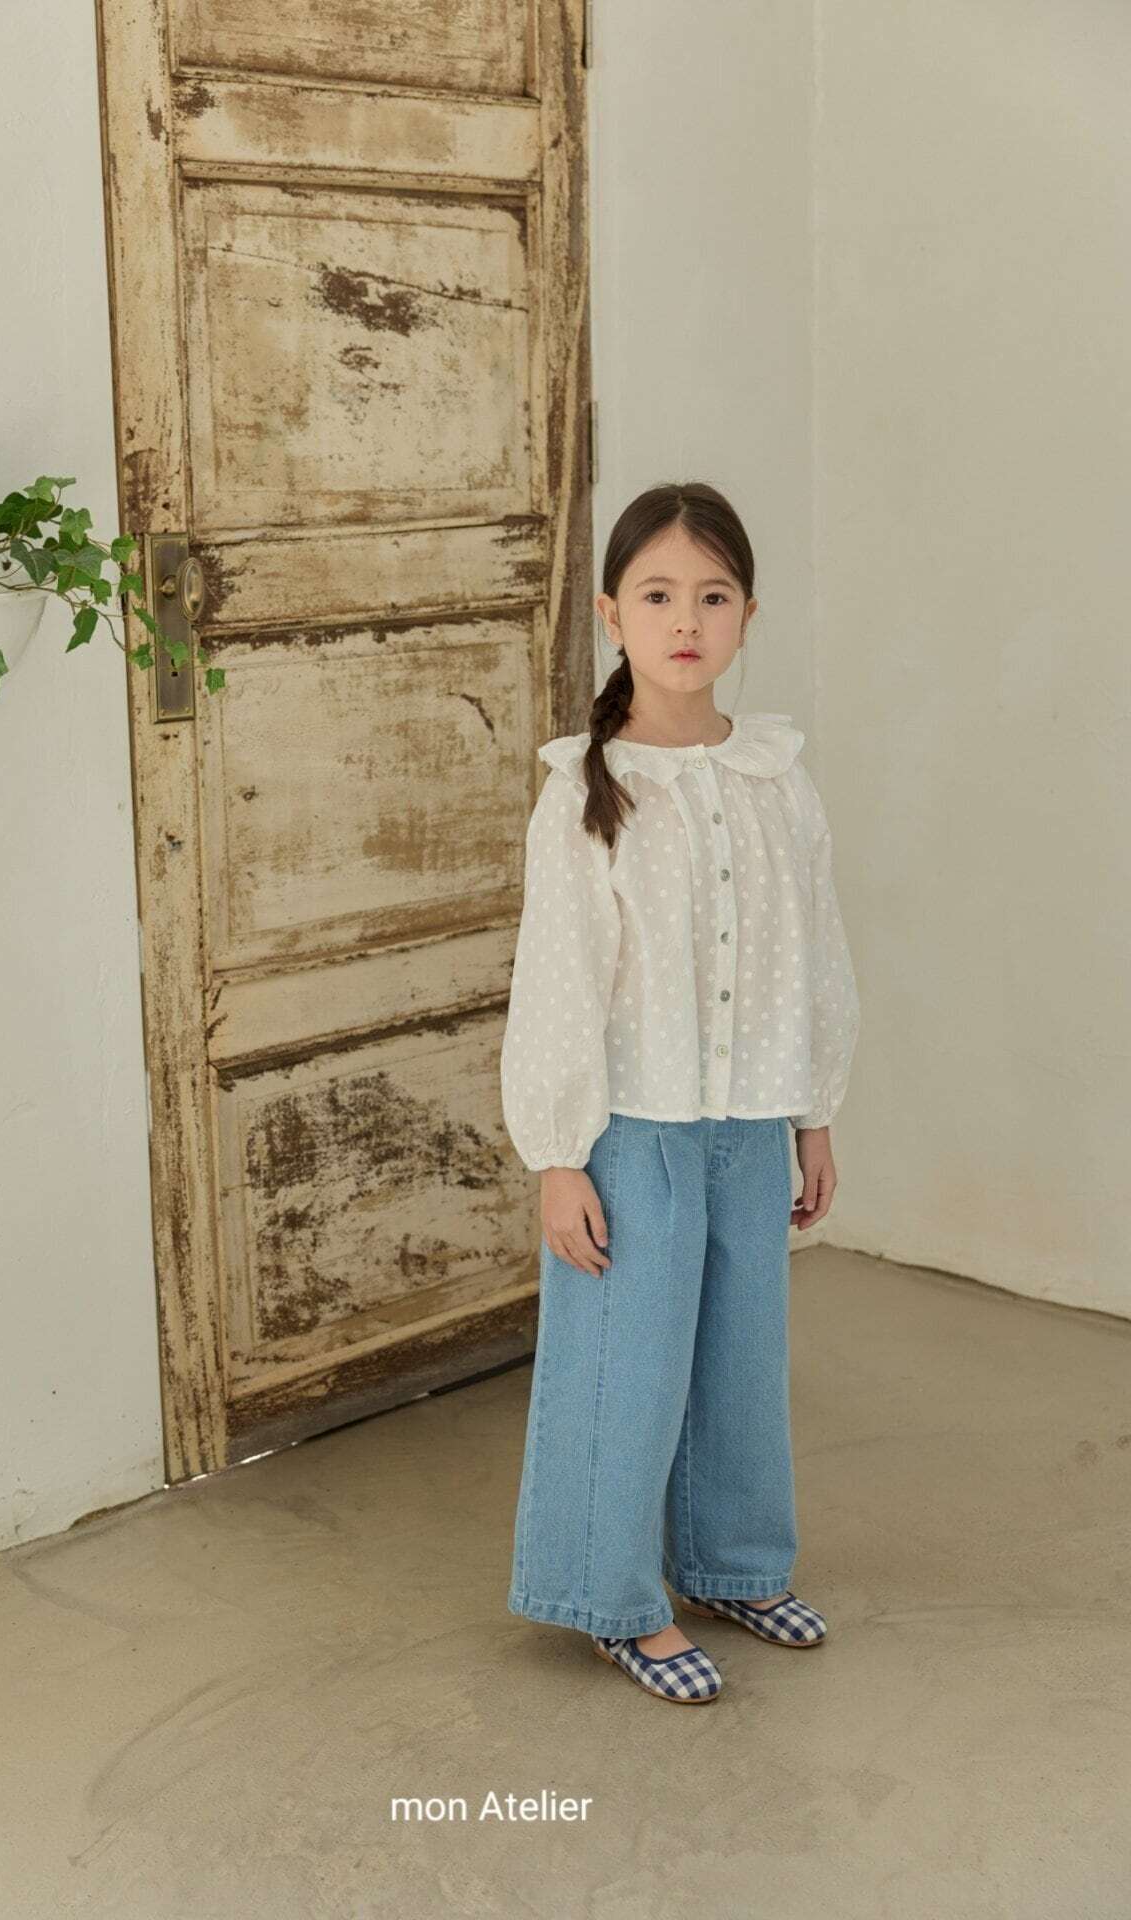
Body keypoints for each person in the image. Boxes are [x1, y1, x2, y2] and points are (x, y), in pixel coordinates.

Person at [499, 481, 861, 1705]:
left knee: (741, 1361)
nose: (685, 620)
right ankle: (609, 1599)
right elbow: (557, 982)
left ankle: (733, 1565)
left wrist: (811, 1112)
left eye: (711, 596)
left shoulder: (775, 779)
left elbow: (813, 947)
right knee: (625, 1367)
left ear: (747, 614)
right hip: (633, 1132)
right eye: (656, 595)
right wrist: (559, 1155)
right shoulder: (585, 792)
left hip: (749, 1122)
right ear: (612, 615)